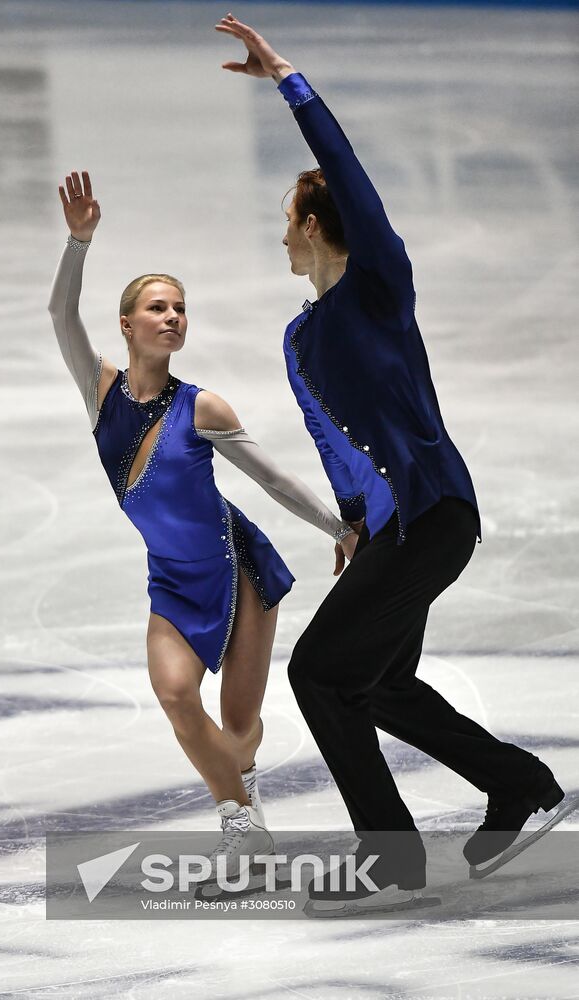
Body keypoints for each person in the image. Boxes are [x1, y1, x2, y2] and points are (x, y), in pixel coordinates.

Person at [215, 12, 565, 908]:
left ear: (318, 224)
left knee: (319, 673)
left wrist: (292, 84)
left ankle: (390, 858)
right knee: (373, 681)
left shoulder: (377, 288)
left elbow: (356, 187)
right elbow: (341, 443)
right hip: (392, 528)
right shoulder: (301, 335)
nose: (279, 237)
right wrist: (355, 524)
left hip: (435, 513)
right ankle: (514, 781)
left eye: (288, 222)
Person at [47, 169, 358, 877]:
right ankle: (243, 828)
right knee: (175, 694)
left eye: (180, 309)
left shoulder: (203, 407)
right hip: (172, 578)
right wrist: (77, 241)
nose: (172, 317)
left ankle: (241, 808)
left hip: (236, 568)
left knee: (241, 728)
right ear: (127, 325)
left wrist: (337, 529)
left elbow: (272, 478)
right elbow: (61, 317)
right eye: (157, 308)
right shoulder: (101, 394)